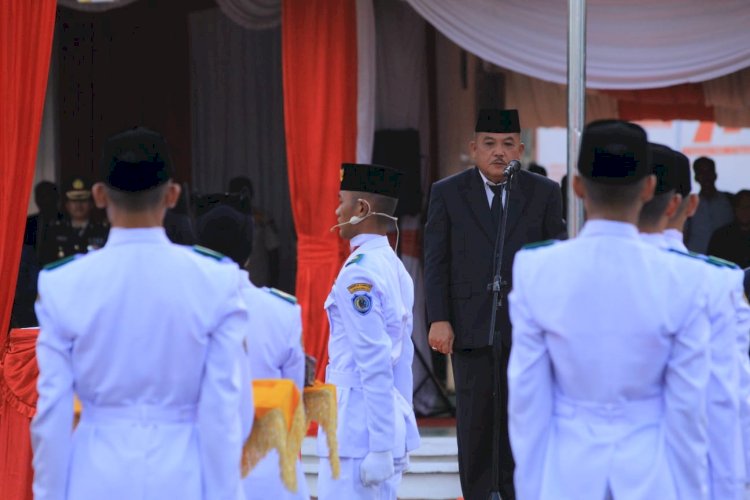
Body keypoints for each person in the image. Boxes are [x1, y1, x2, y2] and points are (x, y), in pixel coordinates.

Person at [32, 126, 249, 500]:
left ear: (99, 195)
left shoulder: (63, 284)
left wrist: (49, 494)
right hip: (182, 474)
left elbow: (52, 412)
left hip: (94, 475)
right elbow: (222, 412)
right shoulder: (215, 281)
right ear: (173, 194)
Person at [508, 120, 711, 500]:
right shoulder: (684, 278)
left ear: (578, 186)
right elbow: (688, 408)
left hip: (566, 472)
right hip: (653, 474)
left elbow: (526, 400)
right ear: (649, 188)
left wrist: (532, 488)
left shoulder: (537, 269)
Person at [423, 108, 565, 500]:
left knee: (522, 416)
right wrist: (439, 318)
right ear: (473, 148)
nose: (498, 153)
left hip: (524, 327)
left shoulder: (543, 192)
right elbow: (436, 261)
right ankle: (479, 493)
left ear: (520, 147)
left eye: (507, 145)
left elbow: (554, 259)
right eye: (489, 144)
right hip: (469, 322)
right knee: (474, 418)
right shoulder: (447, 192)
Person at [639, 143, 744, 499]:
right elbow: (731, 396)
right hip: (685, 467)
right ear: (689, 204)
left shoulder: (556, 270)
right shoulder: (723, 281)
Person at [318, 163, 420, 500]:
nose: (336, 210)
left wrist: (380, 446)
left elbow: (375, 362)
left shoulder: (358, 275)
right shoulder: (393, 266)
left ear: (360, 209)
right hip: (375, 420)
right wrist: (396, 428)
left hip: (357, 427)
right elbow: (402, 359)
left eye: (340, 200)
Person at [196, 202, 309, 500]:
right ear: (248, 252)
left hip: (204, 462)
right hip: (269, 464)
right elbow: (293, 392)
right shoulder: (282, 311)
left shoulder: (182, 311)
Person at [40, 177, 109, 265]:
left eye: (83, 200)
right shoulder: (55, 230)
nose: (78, 205)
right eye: (74, 201)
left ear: (91, 204)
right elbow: (46, 261)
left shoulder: (102, 230)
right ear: (67, 205)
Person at [229, 176, 281, 288]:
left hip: (257, 282)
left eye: (244, 192)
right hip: (231, 283)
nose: (240, 196)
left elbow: (273, 252)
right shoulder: (223, 219)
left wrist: (273, 285)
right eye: (236, 193)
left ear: (251, 194)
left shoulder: (263, 219)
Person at [685, 156, 734, 254]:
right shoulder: (689, 204)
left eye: (708, 172)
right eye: (701, 173)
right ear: (696, 177)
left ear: (715, 175)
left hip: (726, 258)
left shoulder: (731, 200)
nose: (706, 177)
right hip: (697, 257)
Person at [707, 190, 750, 269]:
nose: (745, 211)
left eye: (748, 207)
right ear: (734, 208)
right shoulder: (720, 237)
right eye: (741, 206)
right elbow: (712, 266)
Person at [24, 180, 63, 257]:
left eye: (48, 195)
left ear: (56, 197)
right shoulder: (29, 223)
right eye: (41, 196)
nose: (45, 200)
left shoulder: (66, 221)